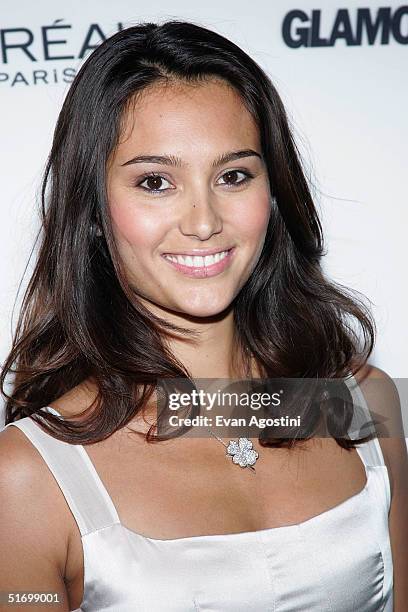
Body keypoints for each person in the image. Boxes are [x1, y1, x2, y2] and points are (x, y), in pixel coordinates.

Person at [0, 19, 407, 612]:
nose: (203, 220)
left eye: (233, 175)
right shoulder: (29, 478)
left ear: (273, 191)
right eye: (156, 181)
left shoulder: (361, 404)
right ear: (93, 208)